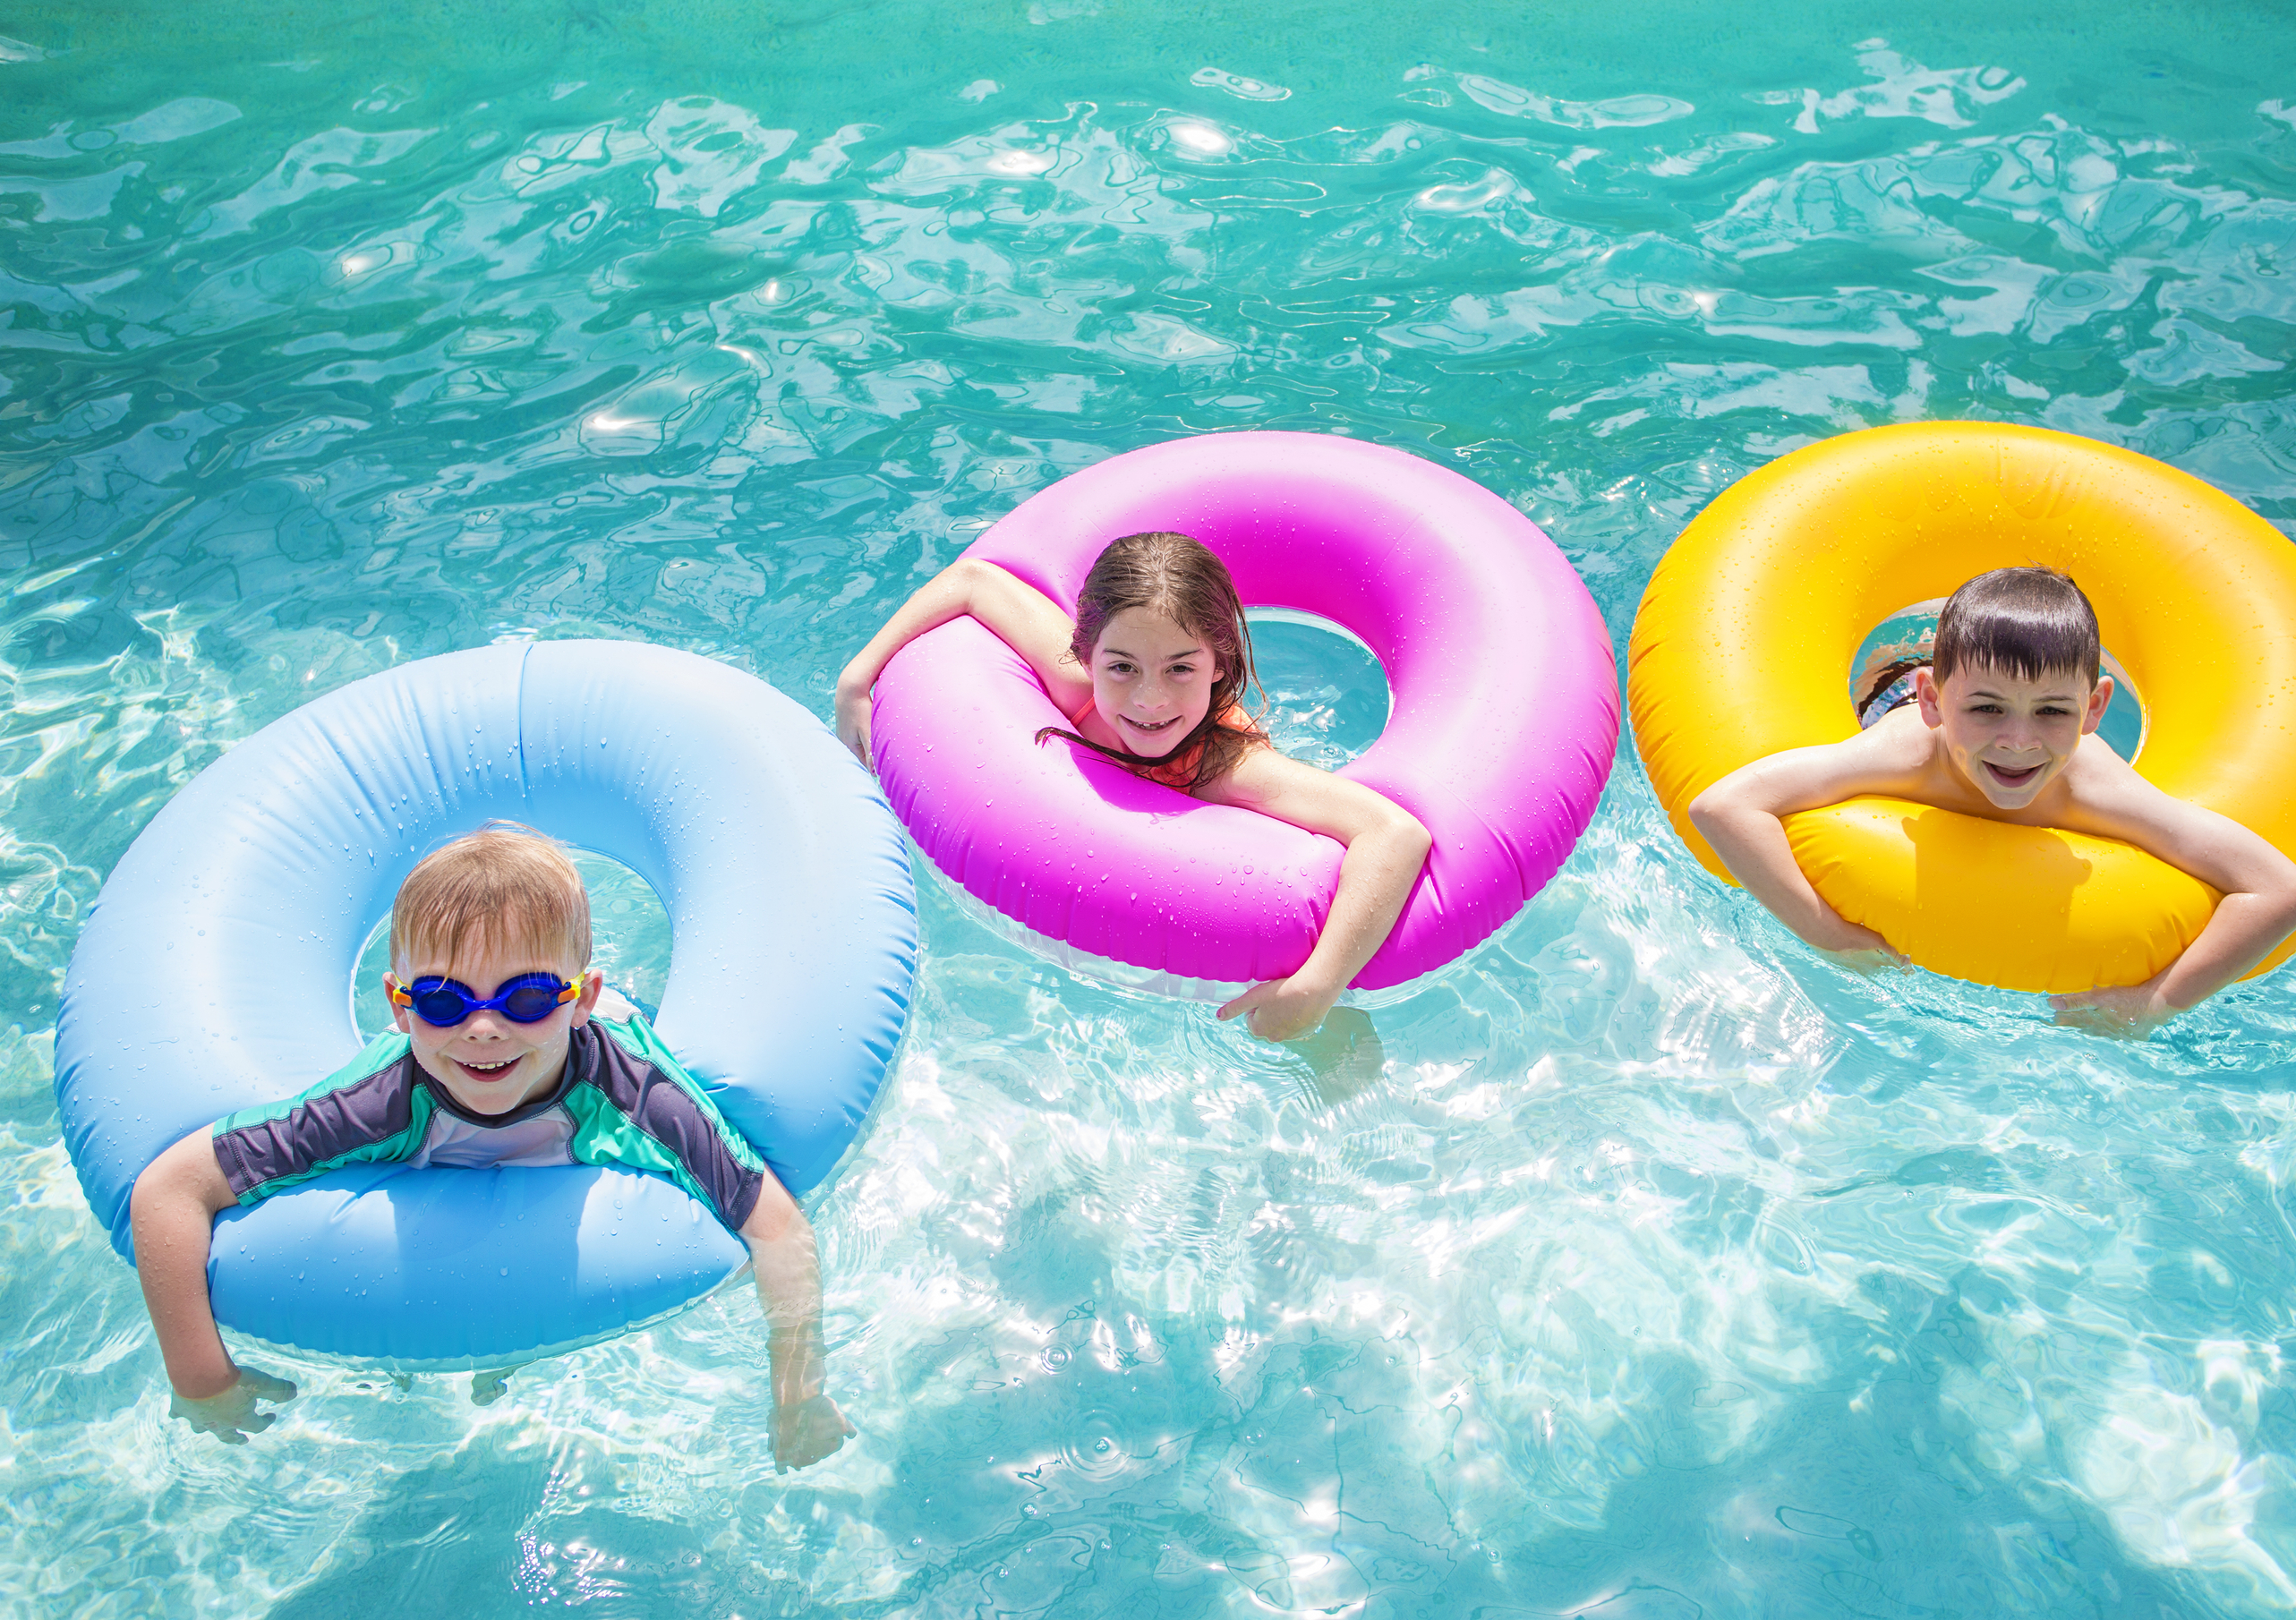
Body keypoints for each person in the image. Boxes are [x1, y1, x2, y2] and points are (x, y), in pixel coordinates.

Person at [128, 823, 853, 1467]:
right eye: (443, 1000)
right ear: (397, 1005)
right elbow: (168, 1192)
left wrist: (797, 1395)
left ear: (582, 1000)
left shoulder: (631, 1093)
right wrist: (203, 1382)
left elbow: (776, 1225)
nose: (482, 1028)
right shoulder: (374, 1103)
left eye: (527, 997)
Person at [833, 531, 1431, 1042]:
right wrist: (856, 678)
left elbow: (1392, 832)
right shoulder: (1075, 686)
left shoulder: (1221, 763)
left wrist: (1317, 987)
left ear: (1220, 665)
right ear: (1085, 655)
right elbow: (973, 581)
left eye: (1180, 668)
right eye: (1122, 667)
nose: (1149, 699)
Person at [1687, 566, 2296, 1036]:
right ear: (1935, 702)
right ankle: (1908, 666)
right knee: (1886, 674)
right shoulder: (1903, 753)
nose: (2017, 743)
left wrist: (2154, 1003)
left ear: (2095, 709)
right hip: (1889, 697)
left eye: (2052, 712)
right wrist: (1828, 935)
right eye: (1986, 709)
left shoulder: (2094, 789)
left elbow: (2281, 891)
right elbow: (1723, 807)